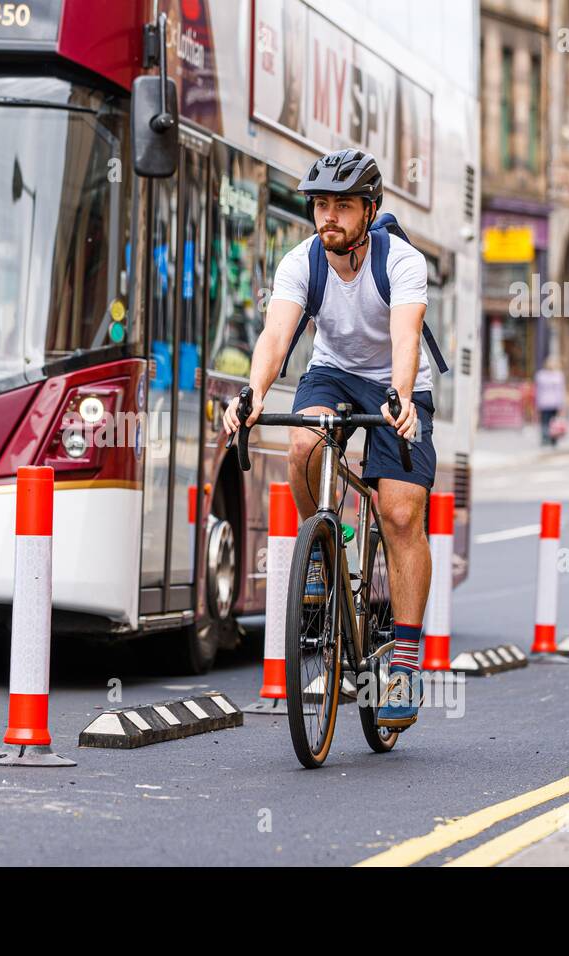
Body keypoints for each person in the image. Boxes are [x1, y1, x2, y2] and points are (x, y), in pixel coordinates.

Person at [222, 148, 434, 730]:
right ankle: (326, 541)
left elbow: (405, 336)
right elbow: (275, 334)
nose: (328, 217)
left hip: (396, 380)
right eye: (320, 205)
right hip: (333, 372)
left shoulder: (402, 261)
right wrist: (254, 393)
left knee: (399, 511)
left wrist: (400, 396)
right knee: (303, 444)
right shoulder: (301, 262)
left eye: (342, 205)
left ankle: (407, 664)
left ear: (370, 209)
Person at [535, 357, 567, 447]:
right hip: (552, 403)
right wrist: (561, 405)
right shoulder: (558, 376)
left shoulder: (541, 375)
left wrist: (537, 404)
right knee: (552, 422)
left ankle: (546, 439)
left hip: (545, 403)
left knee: (546, 422)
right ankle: (552, 440)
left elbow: (538, 391)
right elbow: (560, 392)